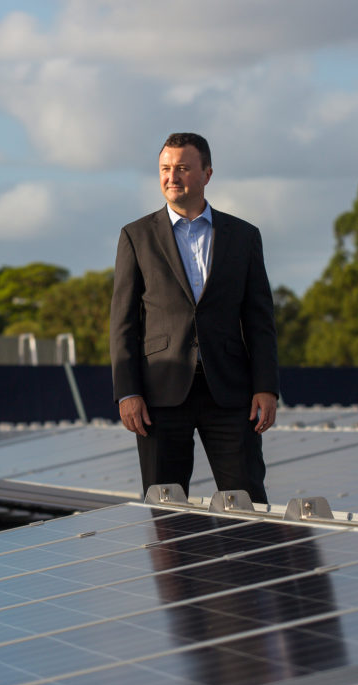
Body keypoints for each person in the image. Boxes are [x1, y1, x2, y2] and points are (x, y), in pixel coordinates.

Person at [110, 132, 279, 504]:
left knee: (248, 501)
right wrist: (128, 392)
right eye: (165, 169)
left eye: (183, 168)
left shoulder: (243, 236)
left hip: (231, 393)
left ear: (207, 173)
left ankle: (250, 565)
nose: (172, 177)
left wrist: (266, 387)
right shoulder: (136, 236)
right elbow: (123, 324)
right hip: (159, 395)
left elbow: (260, 320)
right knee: (165, 506)